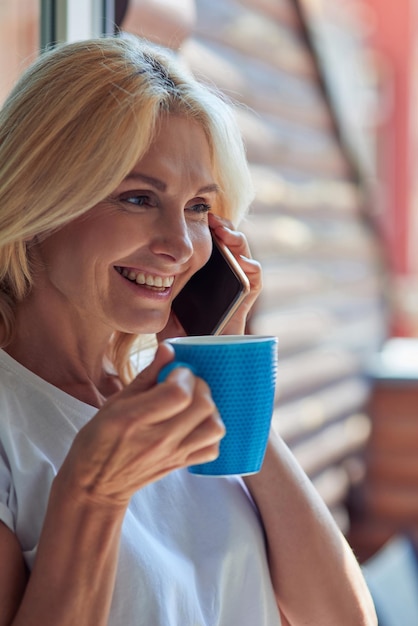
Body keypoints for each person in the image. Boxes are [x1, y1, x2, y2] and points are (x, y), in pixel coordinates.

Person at [0, 35, 376, 626]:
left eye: (198, 207)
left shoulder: (169, 395)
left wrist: (221, 358)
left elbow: (340, 617)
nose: (179, 246)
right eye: (138, 197)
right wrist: (93, 496)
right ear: (40, 202)